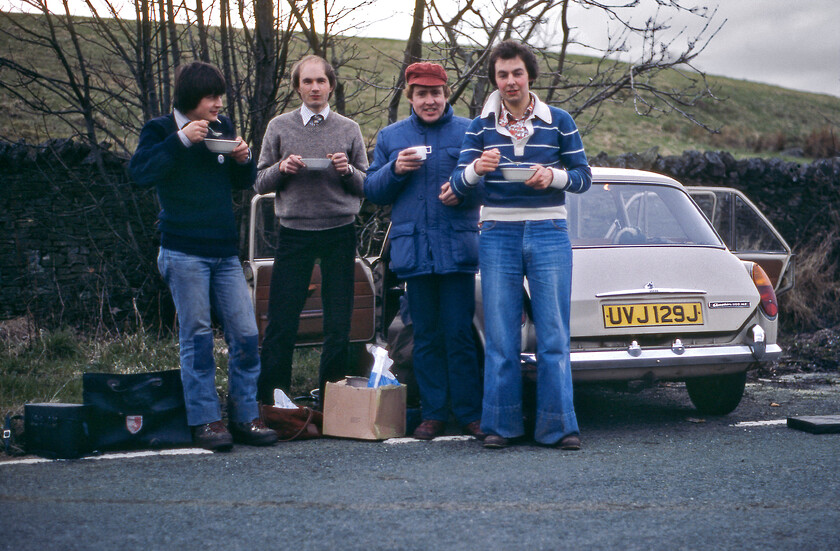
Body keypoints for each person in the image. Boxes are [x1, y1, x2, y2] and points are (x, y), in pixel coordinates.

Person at [129, 61, 278, 451]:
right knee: (196, 338)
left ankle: (245, 414)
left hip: (224, 251)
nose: (217, 104)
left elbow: (237, 184)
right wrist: (180, 140)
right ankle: (206, 420)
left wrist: (243, 160)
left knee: (246, 333)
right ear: (191, 97)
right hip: (182, 250)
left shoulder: (222, 127)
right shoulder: (160, 130)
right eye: (211, 97)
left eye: (219, 97)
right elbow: (140, 173)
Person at [450, 40, 592, 450]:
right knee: (500, 336)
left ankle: (559, 427)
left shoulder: (559, 121)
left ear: (530, 75)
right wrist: (477, 168)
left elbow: (582, 175)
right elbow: (458, 185)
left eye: (517, 73)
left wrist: (554, 177)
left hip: (549, 230)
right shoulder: (478, 128)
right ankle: (501, 425)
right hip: (497, 233)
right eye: (502, 75)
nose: (510, 81)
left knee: (552, 334)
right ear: (494, 79)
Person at [365, 62, 484, 441]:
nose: (429, 100)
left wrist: (463, 189)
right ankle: (433, 414)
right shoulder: (390, 137)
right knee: (426, 336)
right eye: (421, 94)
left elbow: (490, 185)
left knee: (461, 335)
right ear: (410, 97)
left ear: (446, 94)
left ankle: (469, 414)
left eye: (436, 93)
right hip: (413, 254)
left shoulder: (469, 132)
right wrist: (396, 169)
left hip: (457, 250)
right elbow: (372, 191)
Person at [255, 55, 368, 406]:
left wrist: (347, 171)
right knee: (282, 320)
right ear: (297, 87)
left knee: (339, 321)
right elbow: (259, 182)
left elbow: (367, 185)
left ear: (331, 85)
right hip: (294, 232)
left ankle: (332, 402)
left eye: (321, 81)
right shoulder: (279, 127)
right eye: (307, 82)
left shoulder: (349, 129)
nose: (315, 88)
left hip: (339, 230)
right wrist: (281, 168)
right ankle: (274, 400)